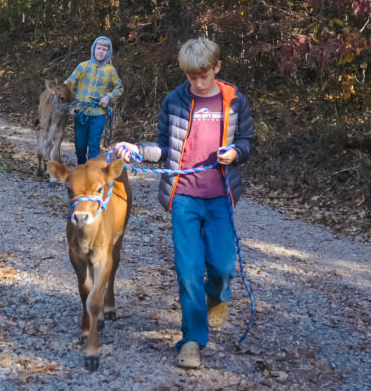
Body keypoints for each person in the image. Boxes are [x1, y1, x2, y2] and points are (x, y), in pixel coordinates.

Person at [115, 37, 254, 369]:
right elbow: (164, 148)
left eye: (203, 75)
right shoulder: (174, 101)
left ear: (217, 67)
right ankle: (192, 339)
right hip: (184, 199)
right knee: (188, 270)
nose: (197, 82)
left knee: (222, 268)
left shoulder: (234, 101)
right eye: (191, 77)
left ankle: (217, 296)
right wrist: (137, 150)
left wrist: (236, 153)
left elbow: (247, 142)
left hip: (220, 198)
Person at [65, 36, 123, 165]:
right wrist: (58, 92)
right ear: (93, 49)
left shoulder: (110, 70)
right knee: (80, 144)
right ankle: (81, 166)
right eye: (99, 48)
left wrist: (108, 97)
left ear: (108, 52)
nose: (101, 51)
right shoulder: (83, 66)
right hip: (80, 112)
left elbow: (119, 88)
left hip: (98, 114)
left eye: (104, 49)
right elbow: (68, 83)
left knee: (94, 144)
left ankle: (91, 173)